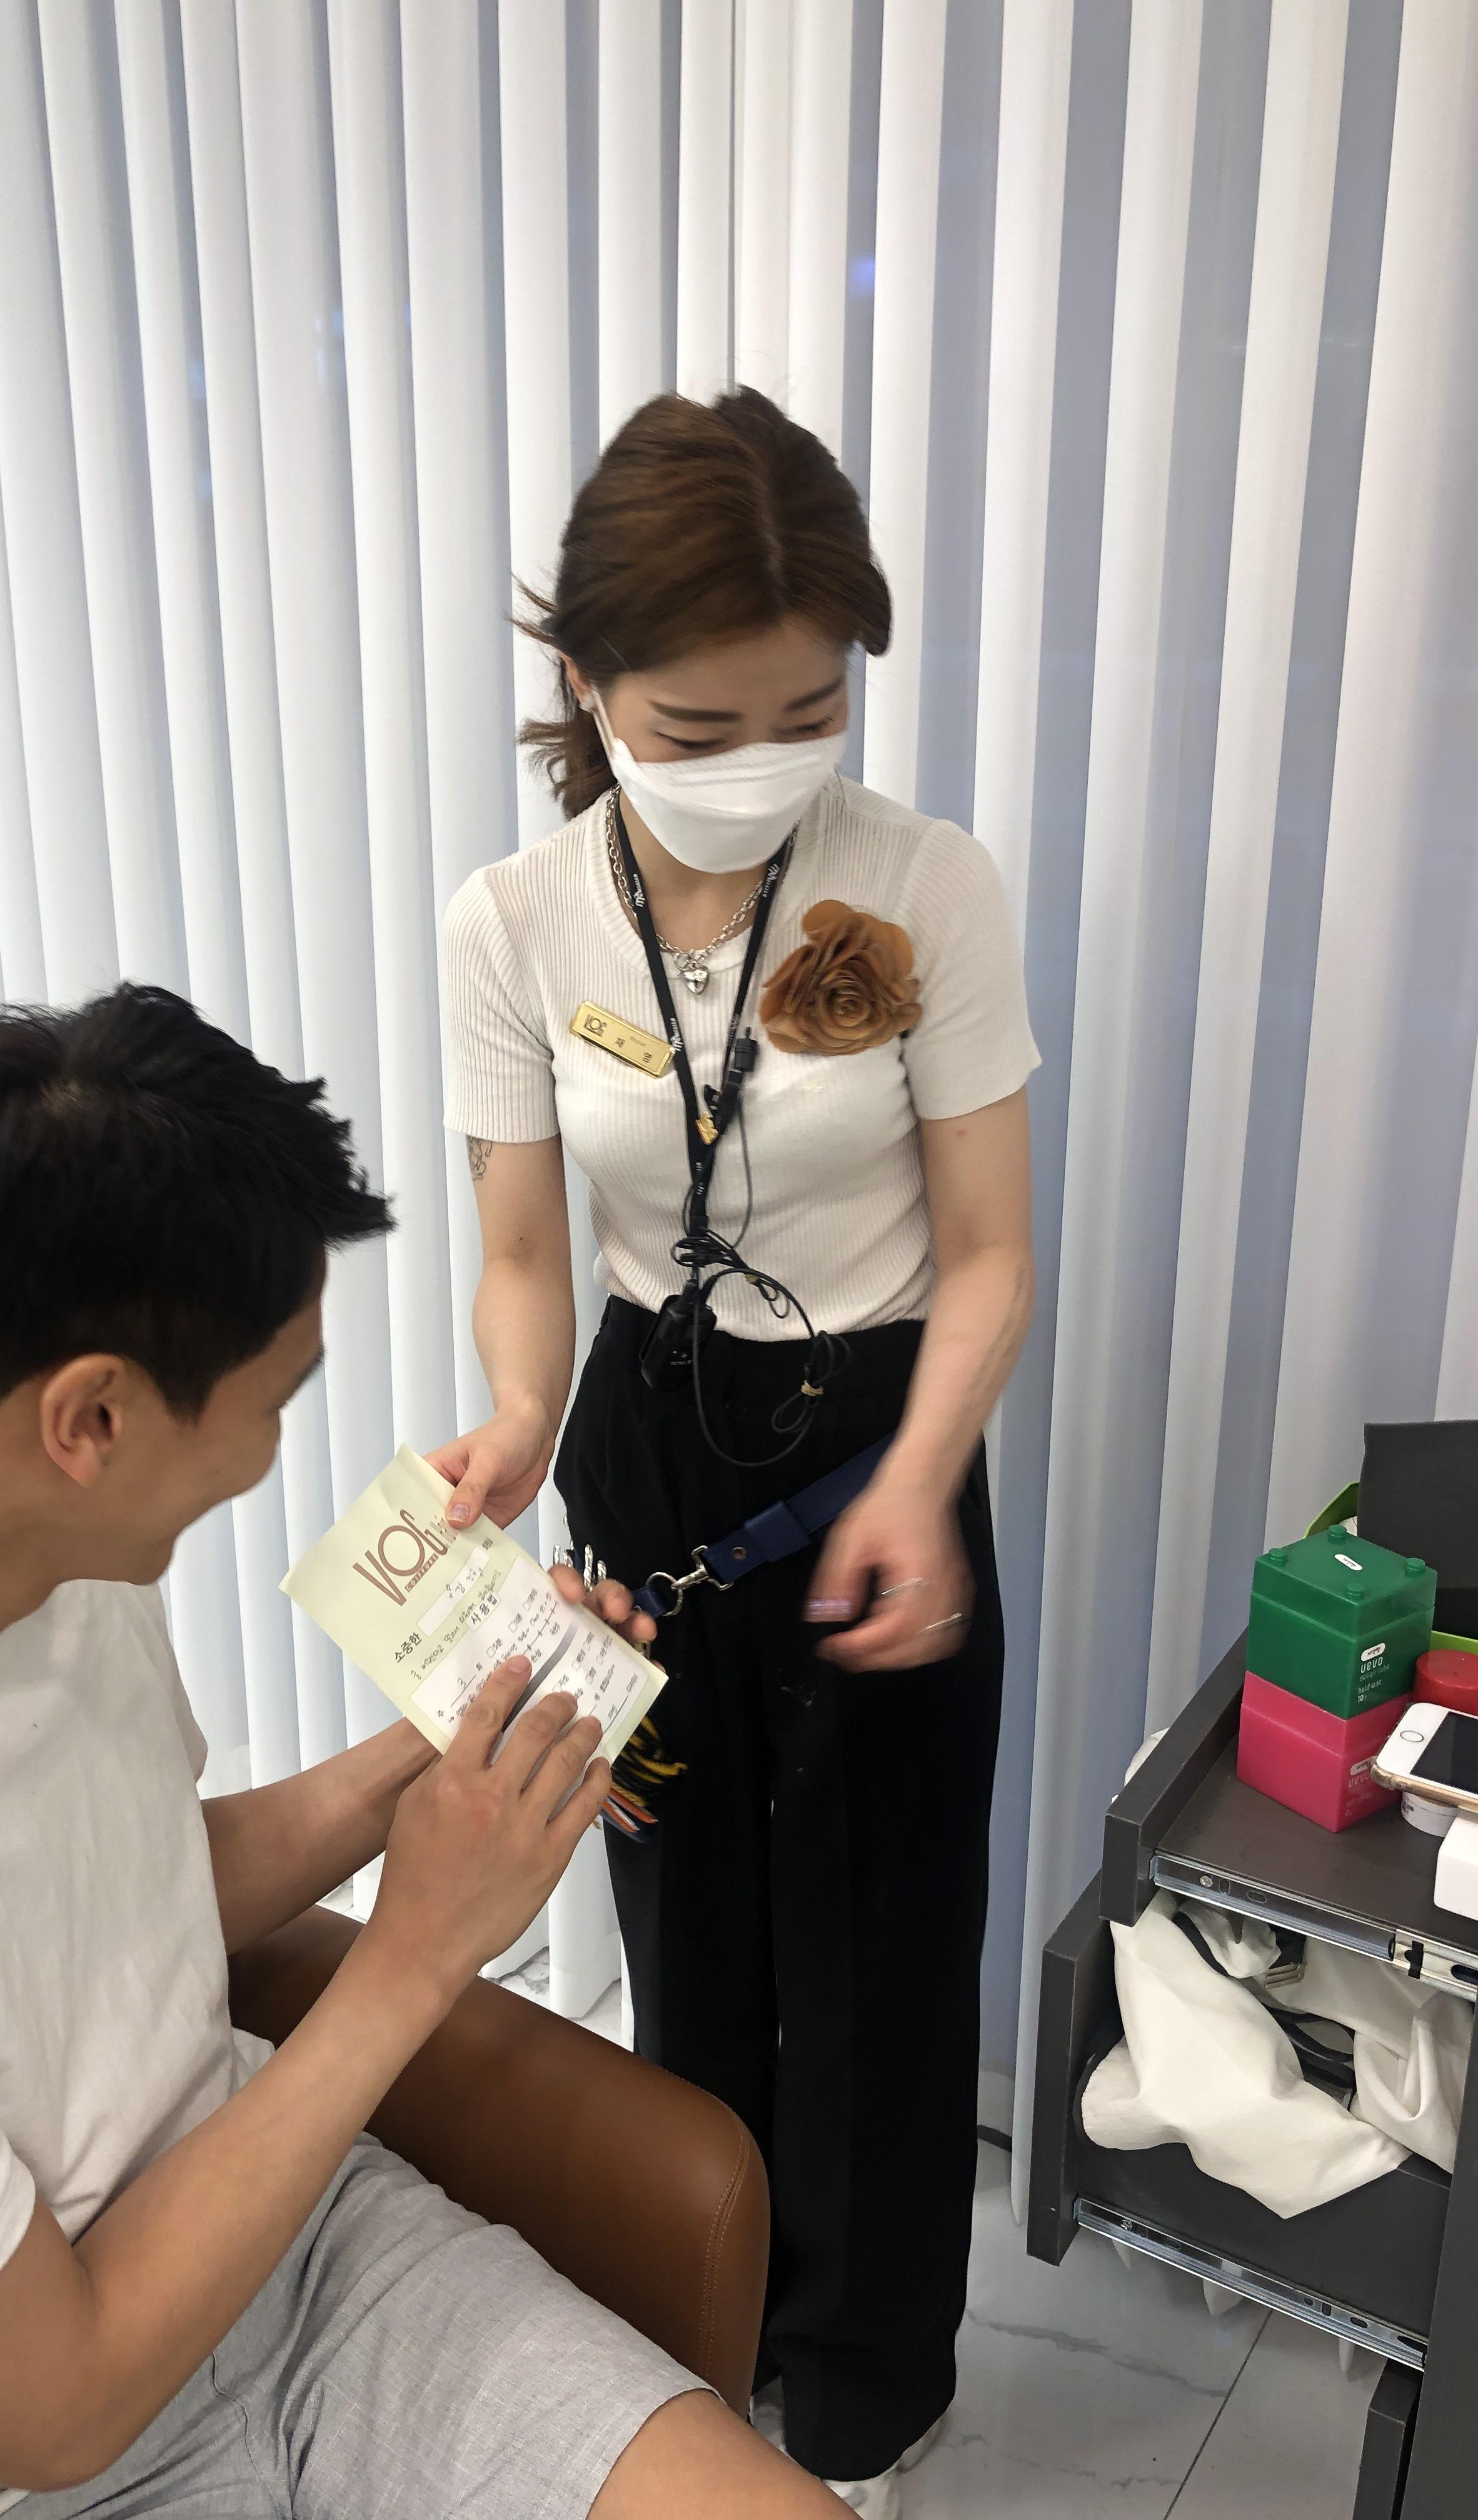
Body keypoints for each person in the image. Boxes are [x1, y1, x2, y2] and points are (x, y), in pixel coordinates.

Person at [0, 985, 848, 2520]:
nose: (268, 1456)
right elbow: (60, 2407)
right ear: (93, 1423)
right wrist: (414, 1953)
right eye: (270, 1406)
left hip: (293, 2260)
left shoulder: (48, 1555)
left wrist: (445, 1751)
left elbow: (127, 1889)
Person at [437, 389, 1037, 2514]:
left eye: (811, 708)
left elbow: (989, 1250)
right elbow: (528, 1254)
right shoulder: (514, 922)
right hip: (643, 1437)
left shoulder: (923, 887)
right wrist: (518, 1425)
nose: (762, 757)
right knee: (682, 1909)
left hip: (884, 1437)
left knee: (881, 1941)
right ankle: (701, 2339)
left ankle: (860, 2403)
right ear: (589, 685)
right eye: (698, 725)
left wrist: (921, 1480)